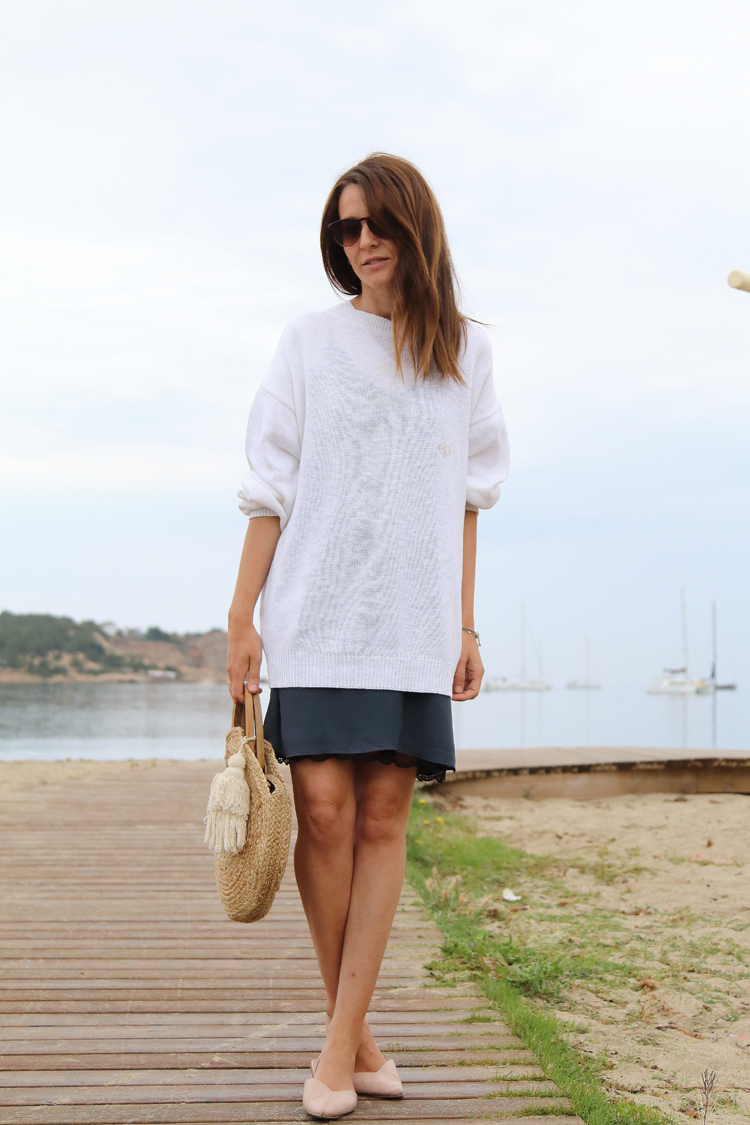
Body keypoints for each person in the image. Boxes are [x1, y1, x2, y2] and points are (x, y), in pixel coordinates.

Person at [227, 153, 509, 1120]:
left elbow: (470, 499)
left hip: (413, 622)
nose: (362, 241)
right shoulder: (309, 341)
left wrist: (465, 624)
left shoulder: (464, 352)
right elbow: (269, 487)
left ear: (413, 226)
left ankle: (339, 1048)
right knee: (323, 812)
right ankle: (354, 1040)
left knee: (385, 820)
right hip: (314, 613)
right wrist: (241, 615)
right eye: (346, 228)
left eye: (377, 222)